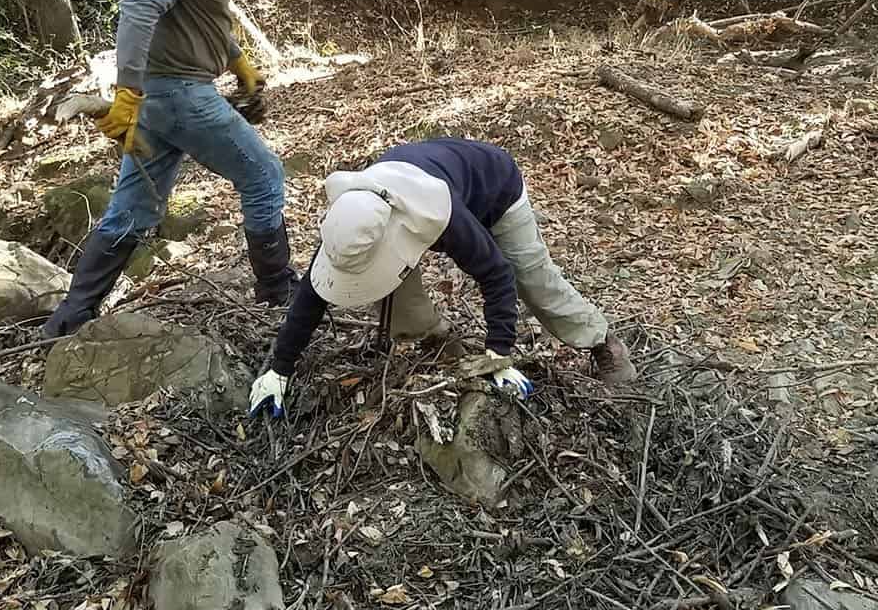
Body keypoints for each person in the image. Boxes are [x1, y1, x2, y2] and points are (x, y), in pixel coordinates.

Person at [43, 0, 297, 338]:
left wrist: (234, 58)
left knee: (134, 210)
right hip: (176, 92)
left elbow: (195, 12)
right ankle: (279, 293)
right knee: (264, 175)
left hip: (166, 92)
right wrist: (127, 92)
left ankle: (69, 319)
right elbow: (139, 6)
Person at [246, 137, 638, 417]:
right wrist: (279, 369)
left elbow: (496, 274)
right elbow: (312, 296)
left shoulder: (442, 214)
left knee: (532, 277)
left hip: (494, 190)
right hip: (421, 192)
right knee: (393, 290)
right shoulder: (353, 222)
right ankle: (437, 341)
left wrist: (499, 354)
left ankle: (602, 341)